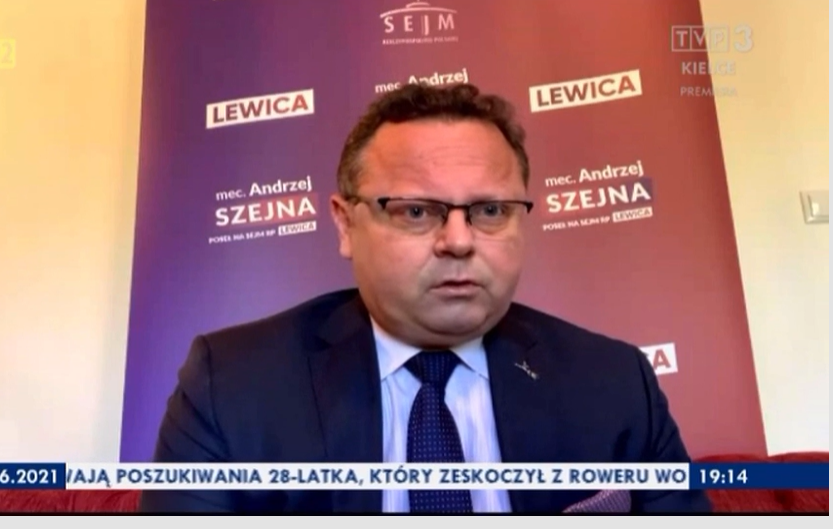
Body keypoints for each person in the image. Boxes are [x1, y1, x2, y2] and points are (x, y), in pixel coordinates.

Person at [137, 83, 712, 513]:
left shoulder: (614, 382)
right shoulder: (234, 385)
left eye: (490, 210)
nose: (459, 241)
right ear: (345, 223)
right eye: (416, 211)